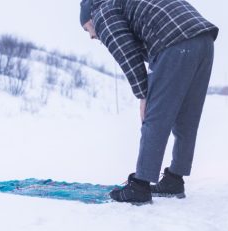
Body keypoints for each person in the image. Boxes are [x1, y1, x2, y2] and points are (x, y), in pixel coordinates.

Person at [80, 0, 218, 205]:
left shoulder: (102, 12)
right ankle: (174, 179)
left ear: (89, 17)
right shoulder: (121, 4)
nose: (92, 36)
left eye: (87, 29)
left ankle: (140, 185)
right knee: (187, 116)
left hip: (175, 40)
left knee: (155, 117)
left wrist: (144, 97)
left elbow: (128, 56)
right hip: (203, 39)